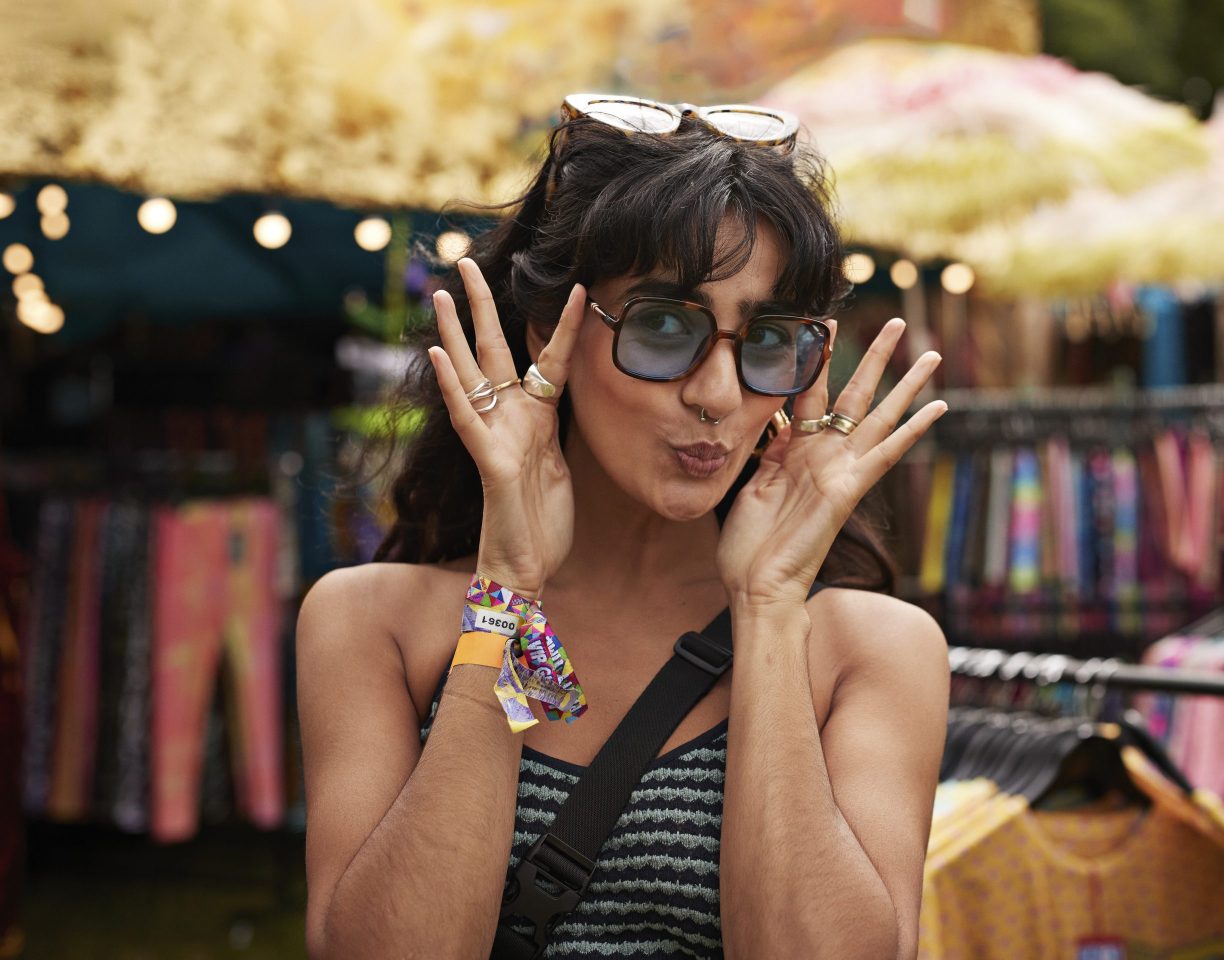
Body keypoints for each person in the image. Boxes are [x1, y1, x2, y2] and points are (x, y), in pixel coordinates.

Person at [297, 94, 952, 960]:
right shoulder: (378, 624)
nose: (718, 394)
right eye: (665, 326)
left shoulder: (868, 650)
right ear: (549, 333)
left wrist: (767, 604)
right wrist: (510, 594)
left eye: (767, 339)